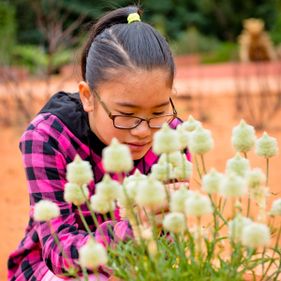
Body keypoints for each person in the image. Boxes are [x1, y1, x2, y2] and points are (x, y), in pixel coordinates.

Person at [8, 5, 190, 281]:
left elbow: (169, 245)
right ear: (87, 96)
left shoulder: (172, 136)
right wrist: (133, 228)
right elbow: (59, 252)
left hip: (139, 264)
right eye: (126, 115)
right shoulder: (48, 137)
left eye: (158, 112)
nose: (144, 131)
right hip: (53, 269)